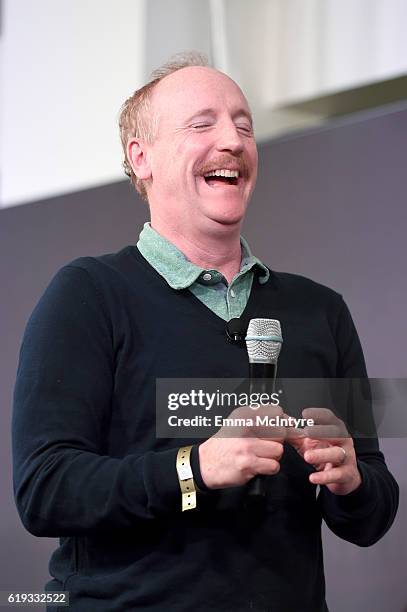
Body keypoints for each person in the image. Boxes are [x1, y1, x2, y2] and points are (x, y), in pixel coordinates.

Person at [12, 52, 398, 612]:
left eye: (244, 124)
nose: (233, 139)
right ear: (140, 158)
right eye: (203, 124)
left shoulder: (320, 311)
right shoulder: (88, 294)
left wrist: (349, 477)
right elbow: (45, 488)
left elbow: (373, 514)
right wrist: (195, 468)